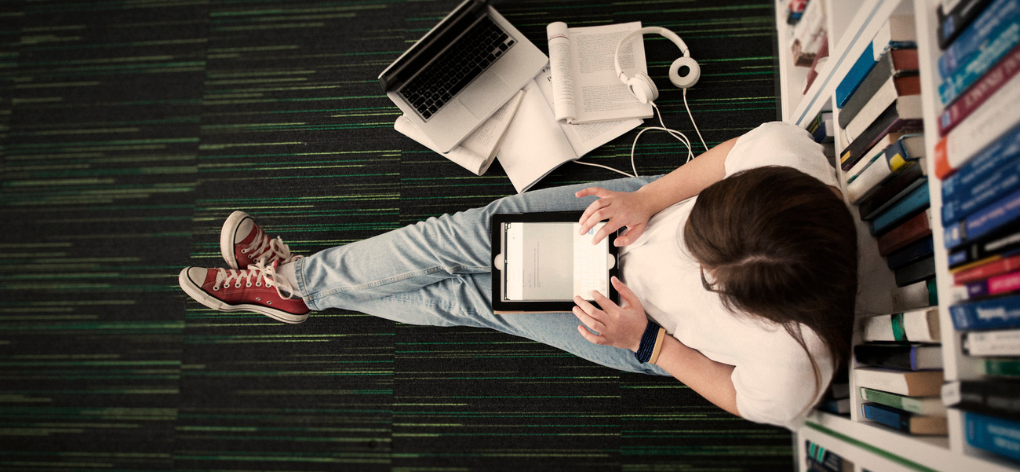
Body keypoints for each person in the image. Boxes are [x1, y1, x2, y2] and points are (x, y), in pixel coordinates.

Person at [178, 121, 858, 431]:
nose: (695, 255)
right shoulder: (788, 160)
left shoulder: (793, 369)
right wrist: (652, 201)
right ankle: (301, 284)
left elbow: (738, 395)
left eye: (705, 270)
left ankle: (296, 285)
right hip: (638, 215)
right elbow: (731, 155)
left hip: (641, 324)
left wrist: (649, 343)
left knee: (471, 296)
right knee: (463, 236)